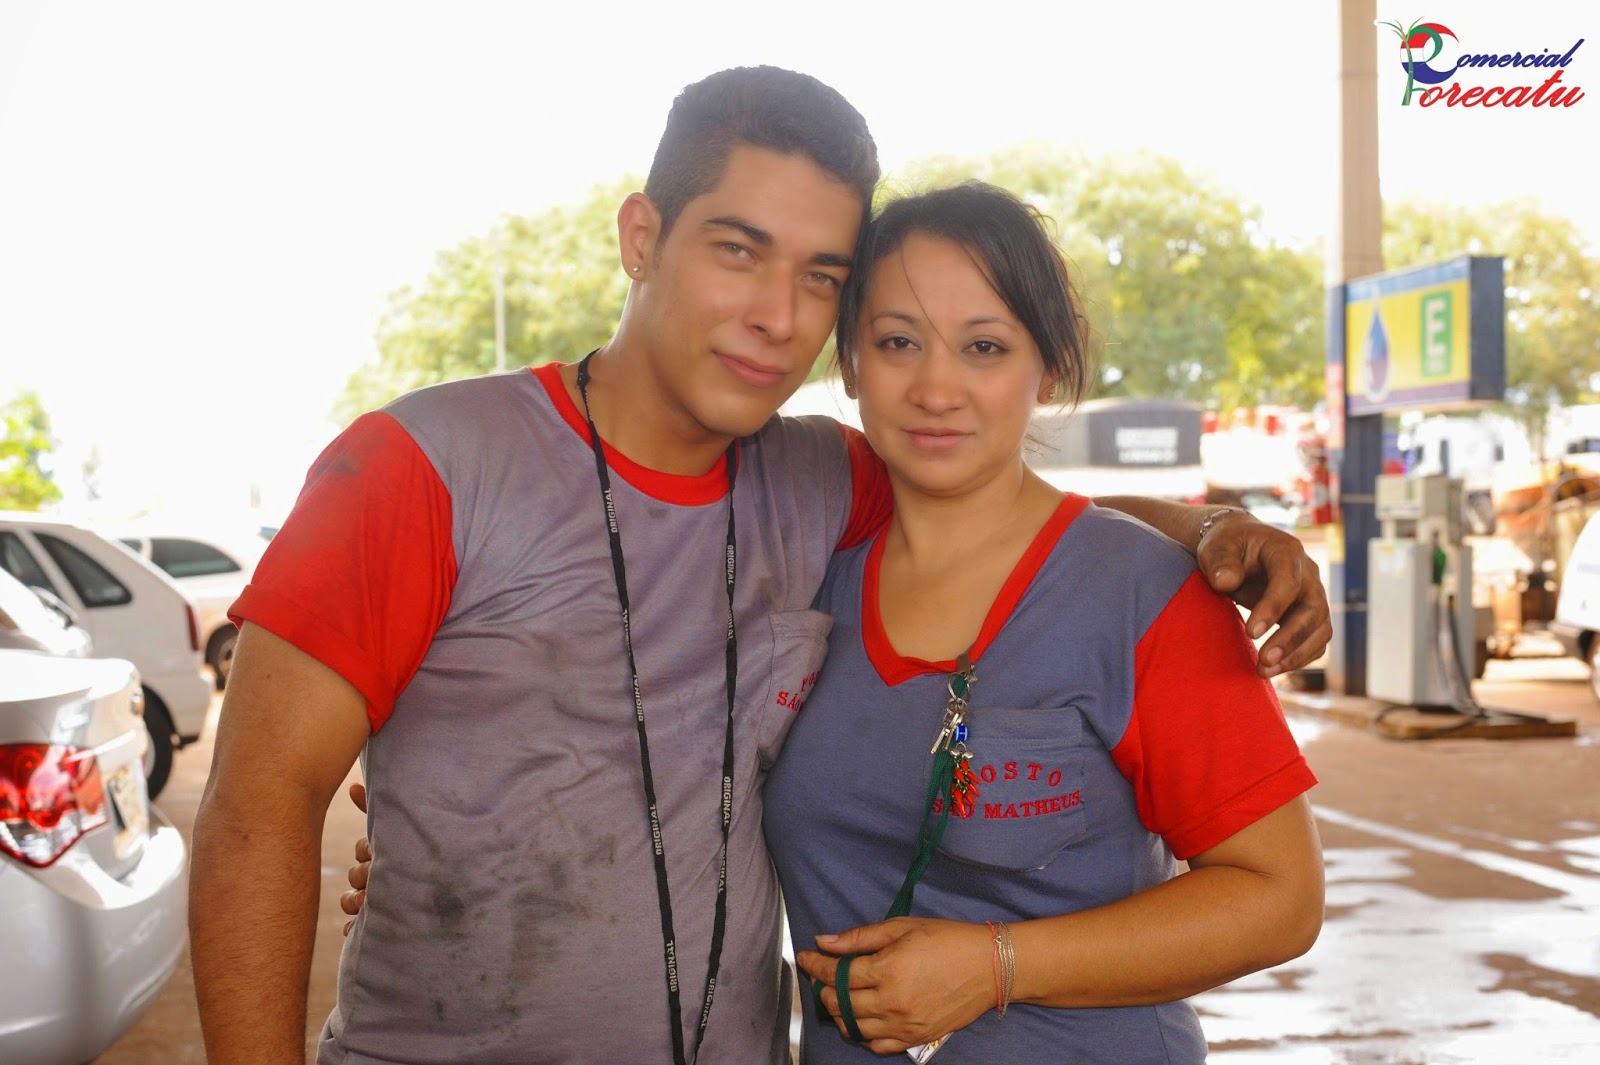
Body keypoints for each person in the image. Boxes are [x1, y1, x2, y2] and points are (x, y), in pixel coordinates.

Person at [191, 66, 1330, 1065]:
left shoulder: (819, 483)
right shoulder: (421, 466)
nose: (776, 316)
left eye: (820, 275)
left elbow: (1017, 520)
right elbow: (255, 810)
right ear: (642, 237)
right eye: (738, 251)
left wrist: (1212, 533)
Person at [765, 182, 1324, 1063]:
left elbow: (1280, 897)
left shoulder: (1142, 591)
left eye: (984, 346)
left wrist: (999, 965)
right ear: (852, 364)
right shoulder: (809, 572)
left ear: (1049, 368)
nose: (936, 388)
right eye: (898, 341)